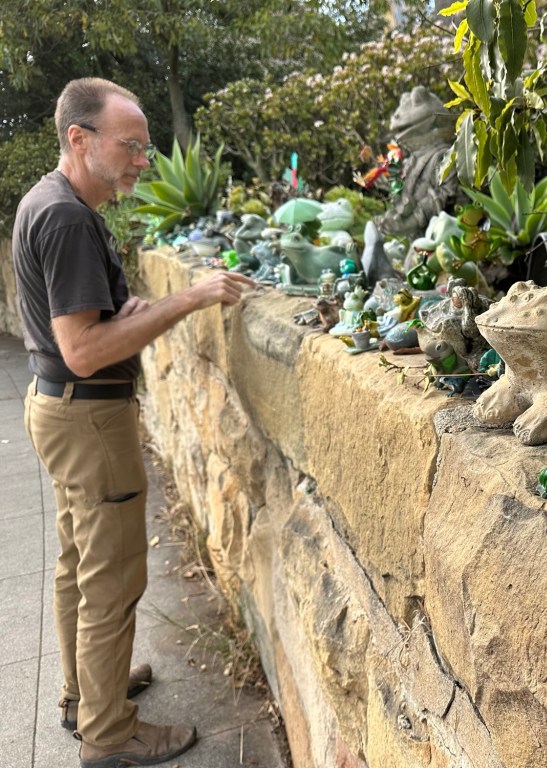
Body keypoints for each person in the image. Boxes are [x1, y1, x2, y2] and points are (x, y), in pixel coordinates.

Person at [12, 77, 256, 767]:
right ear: (78, 138)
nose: (142, 161)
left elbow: (78, 328)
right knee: (112, 582)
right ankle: (109, 735)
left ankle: (85, 696)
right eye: (131, 146)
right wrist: (191, 297)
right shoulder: (66, 218)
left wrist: (130, 315)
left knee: (77, 570)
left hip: (58, 412)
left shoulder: (47, 201)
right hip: (89, 423)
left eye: (146, 149)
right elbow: (84, 351)